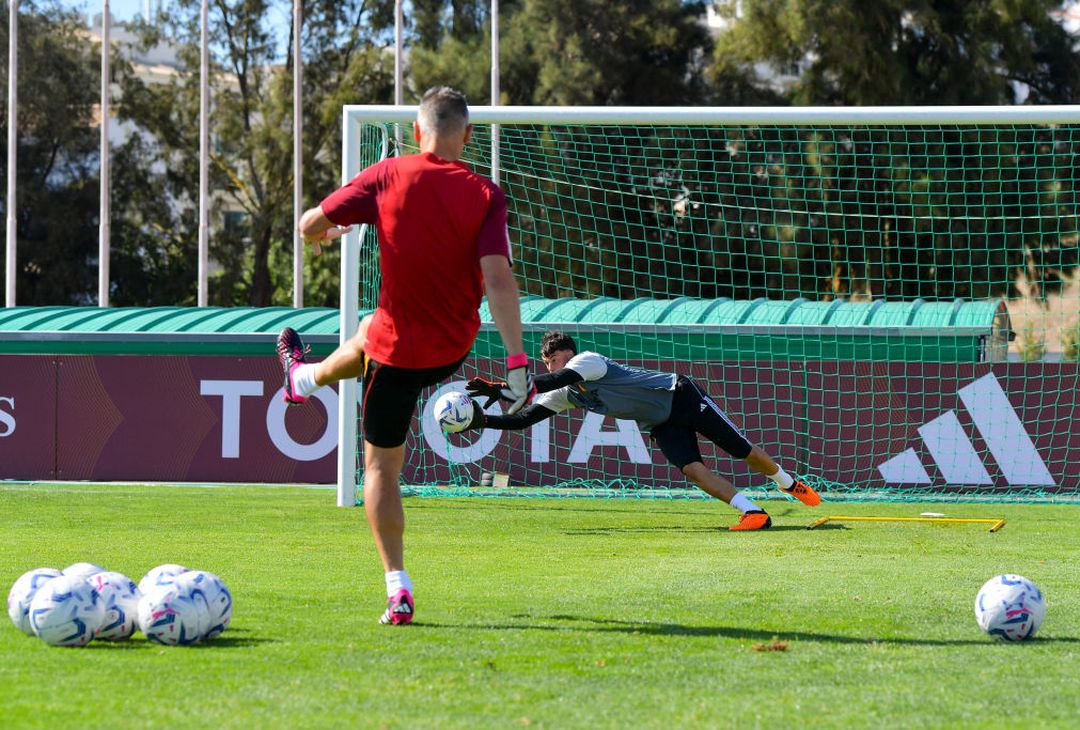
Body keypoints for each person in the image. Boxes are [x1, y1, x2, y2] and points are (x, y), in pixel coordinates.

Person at [276, 86, 533, 626]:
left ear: (417, 132)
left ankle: (397, 587)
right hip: (450, 350)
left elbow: (306, 226)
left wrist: (331, 230)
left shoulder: (387, 173)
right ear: (467, 136)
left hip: (395, 358)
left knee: (380, 469)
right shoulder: (486, 191)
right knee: (368, 326)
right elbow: (498, 279)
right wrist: (516, 363)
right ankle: (303, 381)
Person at [463, 330, 820, 529]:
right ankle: (754, 512)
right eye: (547, 362)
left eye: (554, 360)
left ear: (568, 354)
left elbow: (559, 377)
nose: (553, 366)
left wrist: (503, 387)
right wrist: (483, 420)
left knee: (740, 450)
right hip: (660, 421)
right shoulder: (564, 393)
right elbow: (525, 419)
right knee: (692, 470)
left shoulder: (584, 361)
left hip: (678, 394)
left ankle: (790, 484)